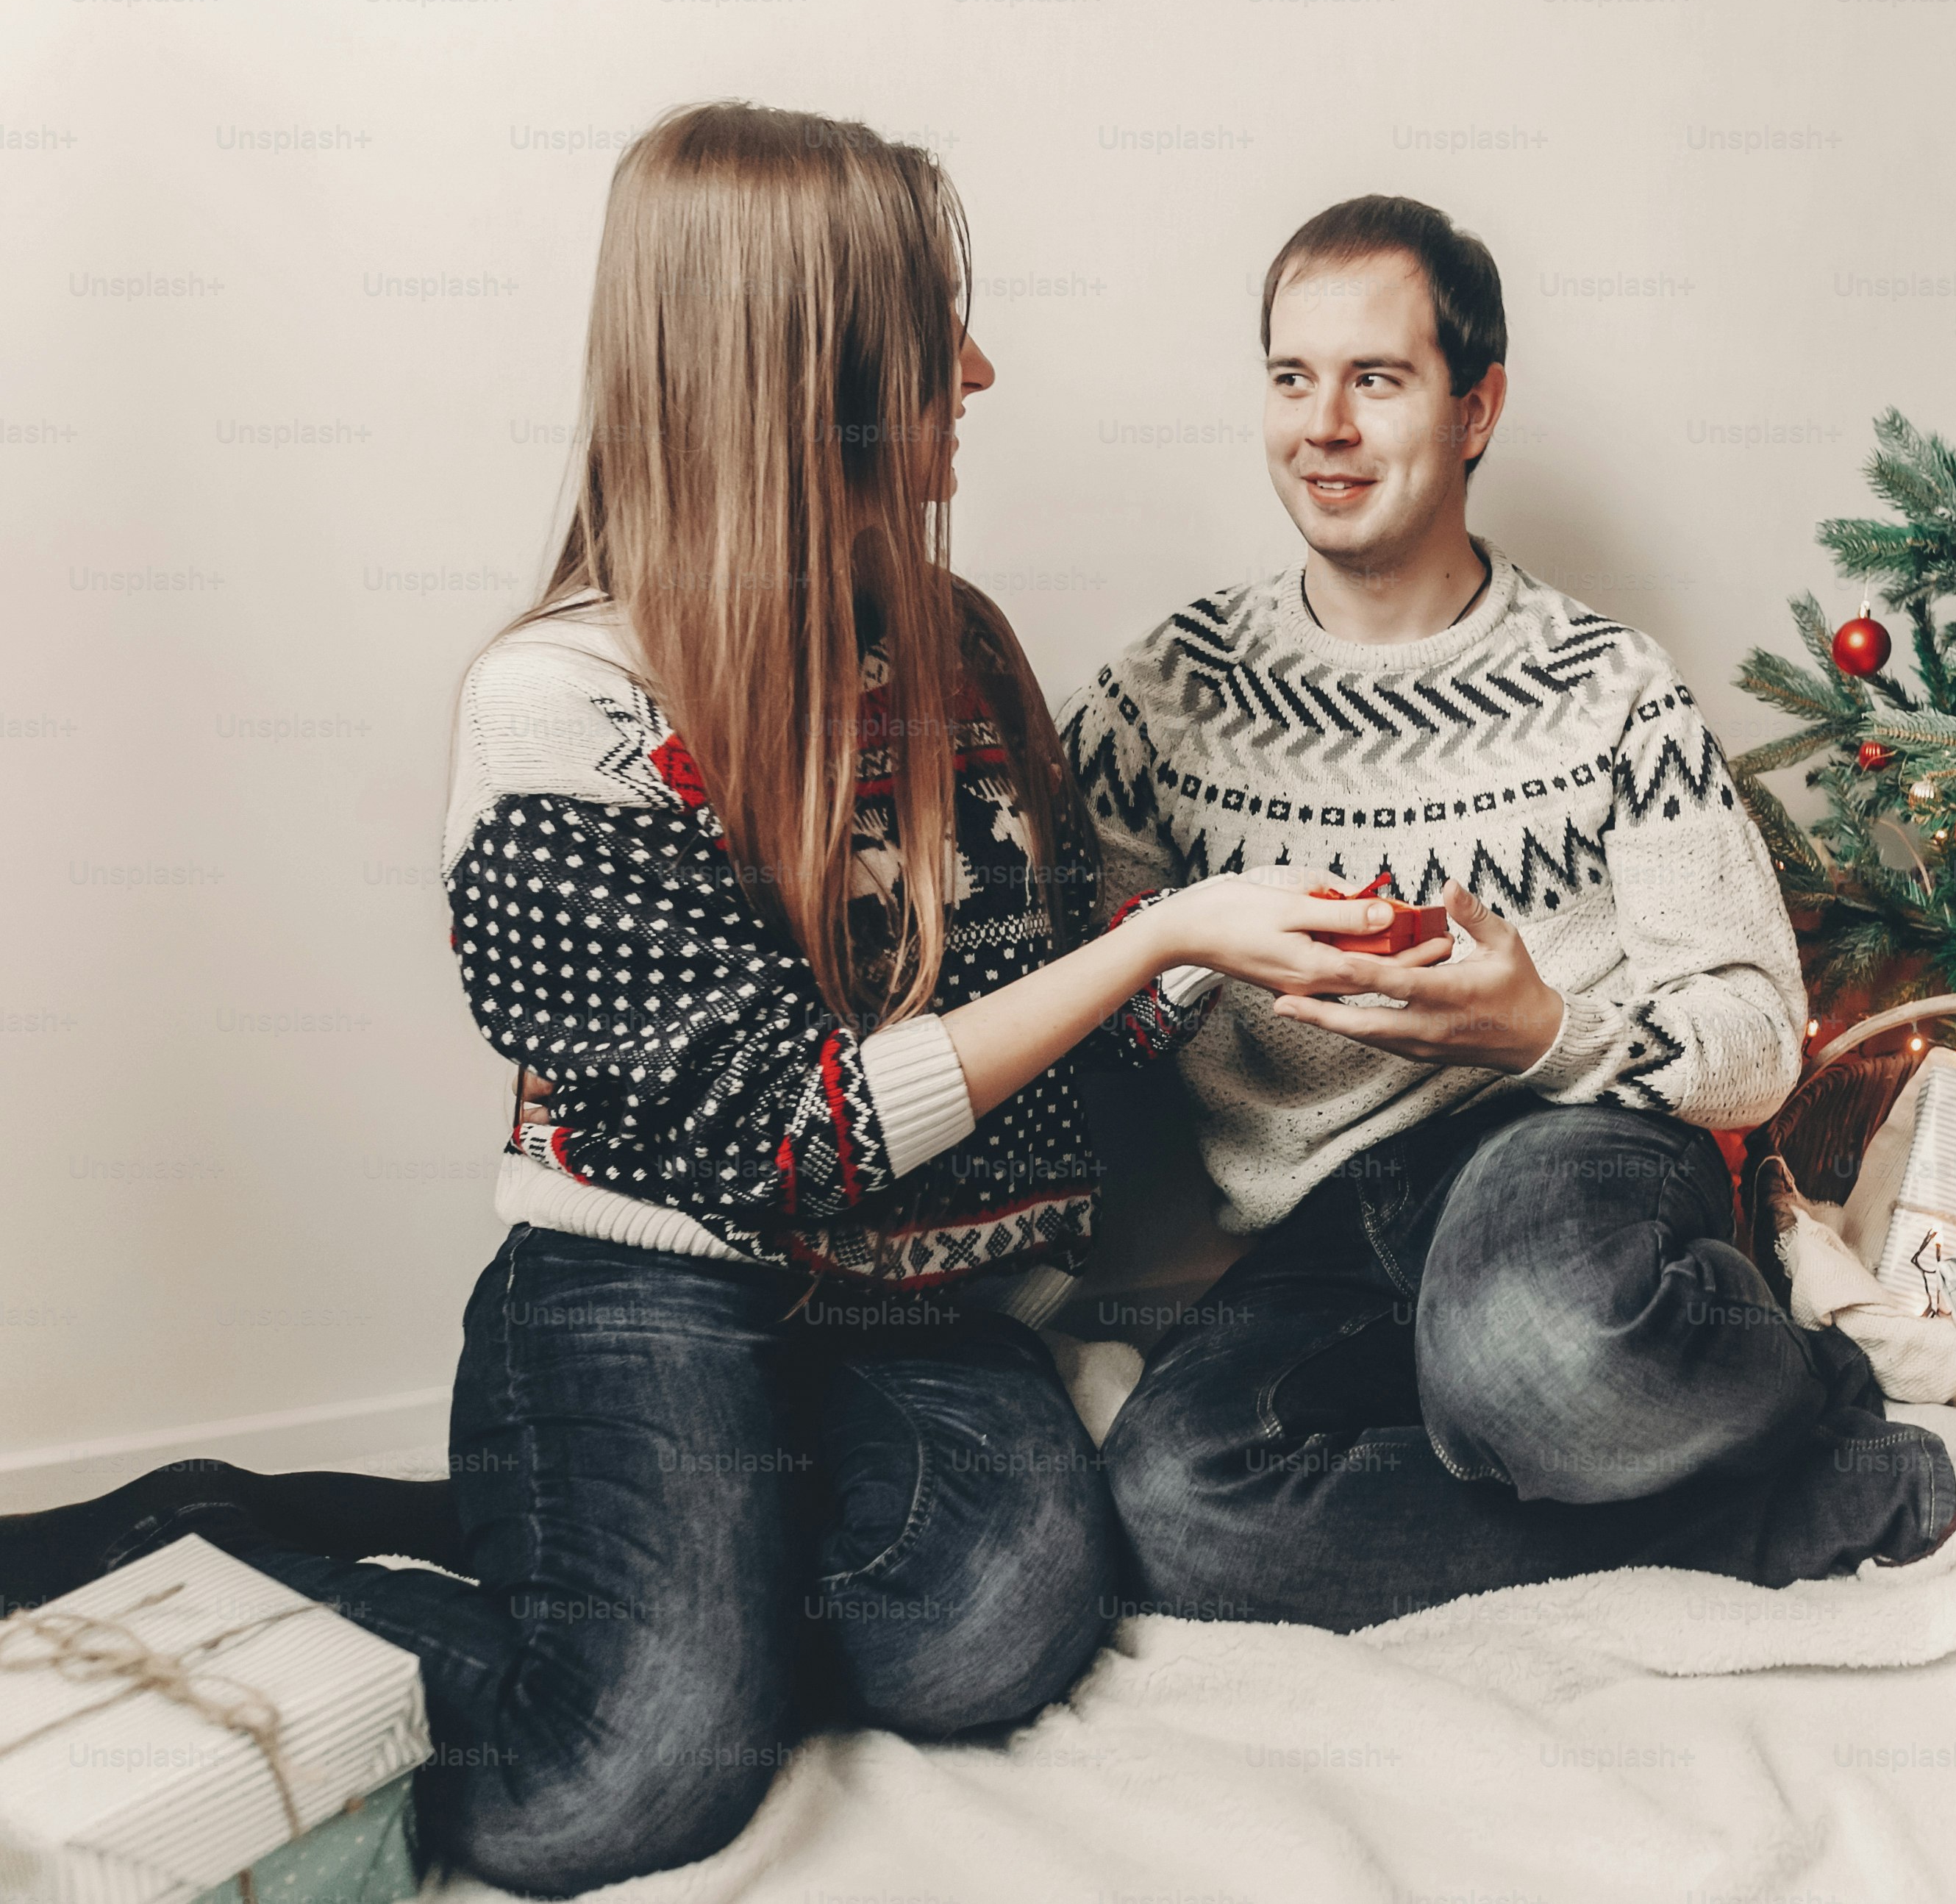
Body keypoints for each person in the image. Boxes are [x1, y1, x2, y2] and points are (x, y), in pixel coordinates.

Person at [0, 104, 1402, 1896]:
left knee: (993, 1635)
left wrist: (1293, 959)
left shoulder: (958, 643)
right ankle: (201, 1532)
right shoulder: (558, 709)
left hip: (912, 1314)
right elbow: (779, 1133)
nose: (978, 369)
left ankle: (609, 1551)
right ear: (802, 370)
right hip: (647, 1283)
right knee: (614, 1787)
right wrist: (1152, 941)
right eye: (928, 331)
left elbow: (1042, 987)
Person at [1064, 196, 1956, 1633]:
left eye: (1375, 379)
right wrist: (1203, 944)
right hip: (1319, 1223)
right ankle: (1788, 1488)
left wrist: (1539, 1027)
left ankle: (1698, 1379)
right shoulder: (1158, 697)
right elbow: (1082, 1025)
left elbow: (1753, 1039)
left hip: (1566, 1155)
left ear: (1475, 407)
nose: (1322, 425)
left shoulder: (1610, 690)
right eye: (1289, 377)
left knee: (1528, 1350)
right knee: (1171, 1504)